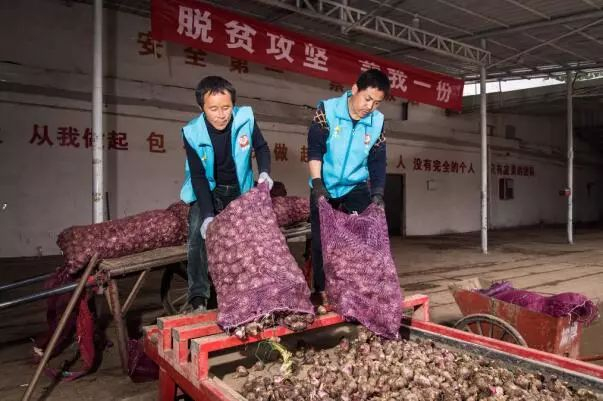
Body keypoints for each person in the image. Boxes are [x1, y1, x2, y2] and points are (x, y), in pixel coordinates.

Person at [180, 76, 273, 312]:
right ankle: (198, 297)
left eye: (226, 107)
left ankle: (256, 290)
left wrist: (264, 172)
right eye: (213, 109)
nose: (221, 115)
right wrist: (208, 214)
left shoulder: (245, 118)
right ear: (201, 107)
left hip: (240, 189)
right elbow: (198, 177)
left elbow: (261, 147)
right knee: (197, 233)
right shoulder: (192, 132)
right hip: (209, 190)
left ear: (233, 105)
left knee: (254, 236)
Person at [307, 69, 390, 303]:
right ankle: (322, 291)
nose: (370, 106)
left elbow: (377, 161)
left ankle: (361, 289)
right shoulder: (327, 111)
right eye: (367, 98)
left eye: (377, 103)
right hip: (324, 183)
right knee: (321, 241)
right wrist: (317, 184)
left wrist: (378, 193)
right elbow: (314, 151)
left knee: (365, 237)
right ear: (355, 89)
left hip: (355, 185)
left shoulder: (377, 122)